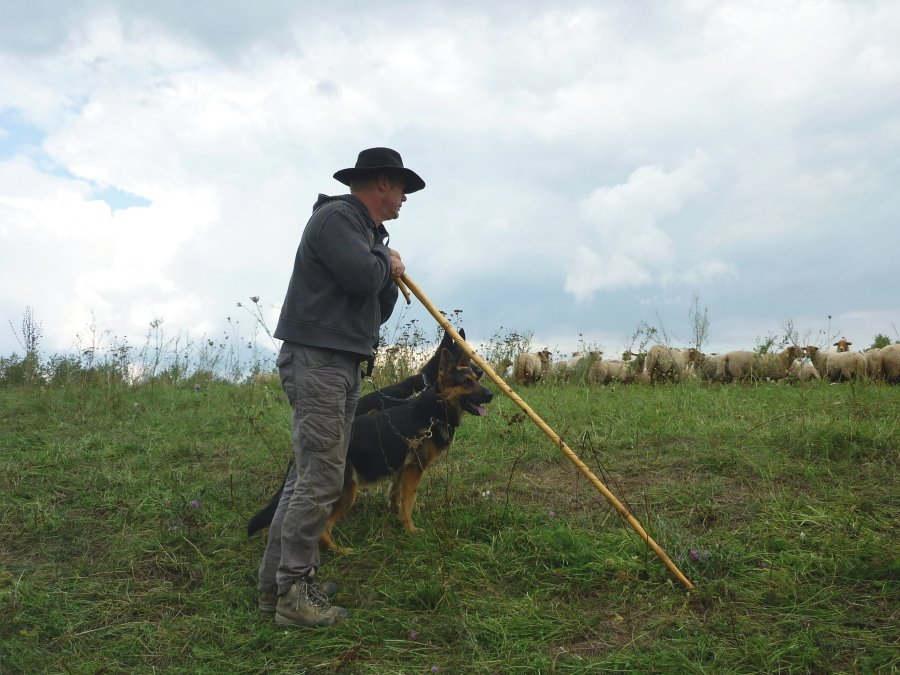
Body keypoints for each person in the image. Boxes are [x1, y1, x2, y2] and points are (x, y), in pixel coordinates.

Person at [256, 147, 425, 627]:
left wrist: (386, 269)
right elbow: (358, 278)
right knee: (323, 480)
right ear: (380, 184)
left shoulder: (367, 235)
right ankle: (294, 594)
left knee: (305, 479)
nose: (405, 199)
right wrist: (382, 258)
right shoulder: (337, 220)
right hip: (319, 362)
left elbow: (378, 305)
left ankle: (277, 589)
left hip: (343, 363)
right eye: (402, 189)